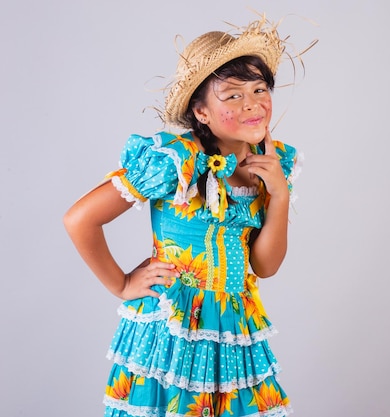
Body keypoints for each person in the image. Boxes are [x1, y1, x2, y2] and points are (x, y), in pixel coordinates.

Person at [64, 16, 309, 417]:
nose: (252, 104)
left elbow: (264, 266)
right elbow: (80, 219)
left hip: (233, 326)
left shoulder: (274, 161)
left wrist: (279, 194)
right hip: (174, 325)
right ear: (201, 111)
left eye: (260, 89)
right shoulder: (176, 160)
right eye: (232, 96)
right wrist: (122, 284)